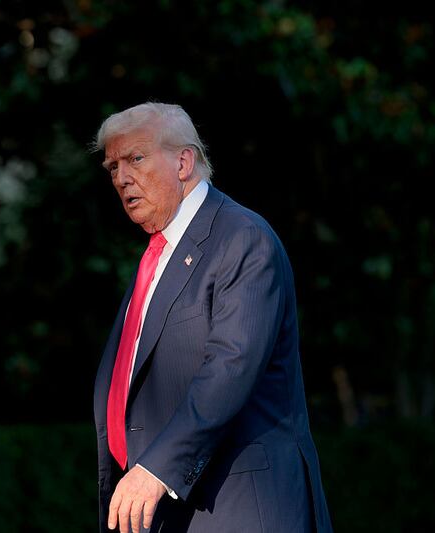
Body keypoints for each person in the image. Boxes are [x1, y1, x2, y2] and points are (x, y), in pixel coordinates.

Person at [92, 102, 333, 533]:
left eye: (136, 158)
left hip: (238, 508)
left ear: (184, 161)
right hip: (171, 511)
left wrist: (157, 468)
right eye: (112, 166)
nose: (121, 177)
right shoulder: (160, 254)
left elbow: (231, 366)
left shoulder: (243, 238)